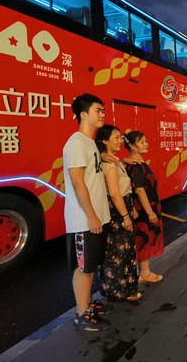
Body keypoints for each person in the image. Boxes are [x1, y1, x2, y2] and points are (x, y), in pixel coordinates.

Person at [63, 93, 112, 331]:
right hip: (84, 220)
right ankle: (81, 315)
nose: (103, 114)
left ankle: (88, 305)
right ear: (83, 115)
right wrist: (92, 216)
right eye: (98, 110)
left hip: (95, 218)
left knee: (91, 266)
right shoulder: (75, 143)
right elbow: (77, 183)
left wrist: (103, 157)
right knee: (83, 269)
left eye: (103, 110)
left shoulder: (89, 143)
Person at [95, 125, 141, 301]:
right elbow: (115, 193)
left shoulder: (112, 162)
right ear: (105, 141)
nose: (120, 141)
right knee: (122, 253)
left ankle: (112, 289)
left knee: (113, 252)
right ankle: (125, 291)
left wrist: (123, 162)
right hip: (118, 212)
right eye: (115, 137)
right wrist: (126, 217)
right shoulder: (110, 166)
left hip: (116, 210)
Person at [124, 131, 164, 284]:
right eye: (141, 142)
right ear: (132, 146)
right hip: (143, 211)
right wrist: (150, 212)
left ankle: (144, 272)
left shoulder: (137, 163)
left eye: (145, 141)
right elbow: (139, 190)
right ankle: (144, 274)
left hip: (146, 209)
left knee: (144, 239)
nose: (146, 144)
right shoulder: (135, 166)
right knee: (143, 239)